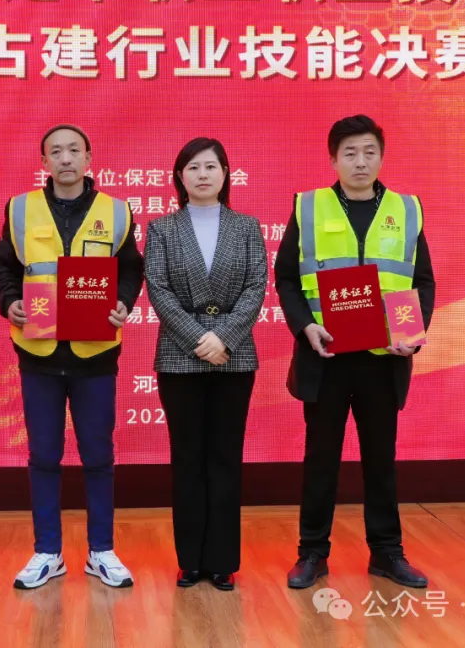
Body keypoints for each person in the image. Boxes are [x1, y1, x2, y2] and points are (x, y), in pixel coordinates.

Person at [275, 115, 436, 590]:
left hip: (384, 359)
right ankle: (311, 552)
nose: (360, 162)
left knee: (380, 459)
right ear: (333, 159)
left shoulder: (406, 209)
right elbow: (286, 277)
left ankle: (387, 552)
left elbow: (420, 280)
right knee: (320, 458)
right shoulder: (309, 207)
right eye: (350, 153)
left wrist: (411, 333)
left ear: (381, 157)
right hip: (325, 355)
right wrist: (305, 326)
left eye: (369, 152)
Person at [0, 123, 144, 590]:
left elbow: (131, 269)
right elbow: (3, 263)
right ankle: (47, 552)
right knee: (44, 455)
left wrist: (123, 302)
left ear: (89, 157)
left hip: (95, 353)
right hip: (38, 351)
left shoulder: (116, 211)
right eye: (55, 152)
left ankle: (101, 551)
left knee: (98, 455)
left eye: (74, 150)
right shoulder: (21, 209)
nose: (66, 159)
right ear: (44, 162)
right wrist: (9, 301)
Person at [144, 137, 267, 592]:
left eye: (211, 166)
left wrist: (224, 337)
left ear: (225, 174)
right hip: (180, 357)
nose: (202, 174)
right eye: (193, 167)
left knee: (225, 458)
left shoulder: (247, 227)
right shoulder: (161, 229)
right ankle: (190, 560)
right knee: (188, 458)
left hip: (235, 356)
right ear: (180, 176)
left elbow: (256, 287)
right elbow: (158, 289)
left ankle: (222, 561)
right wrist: (199, 339)